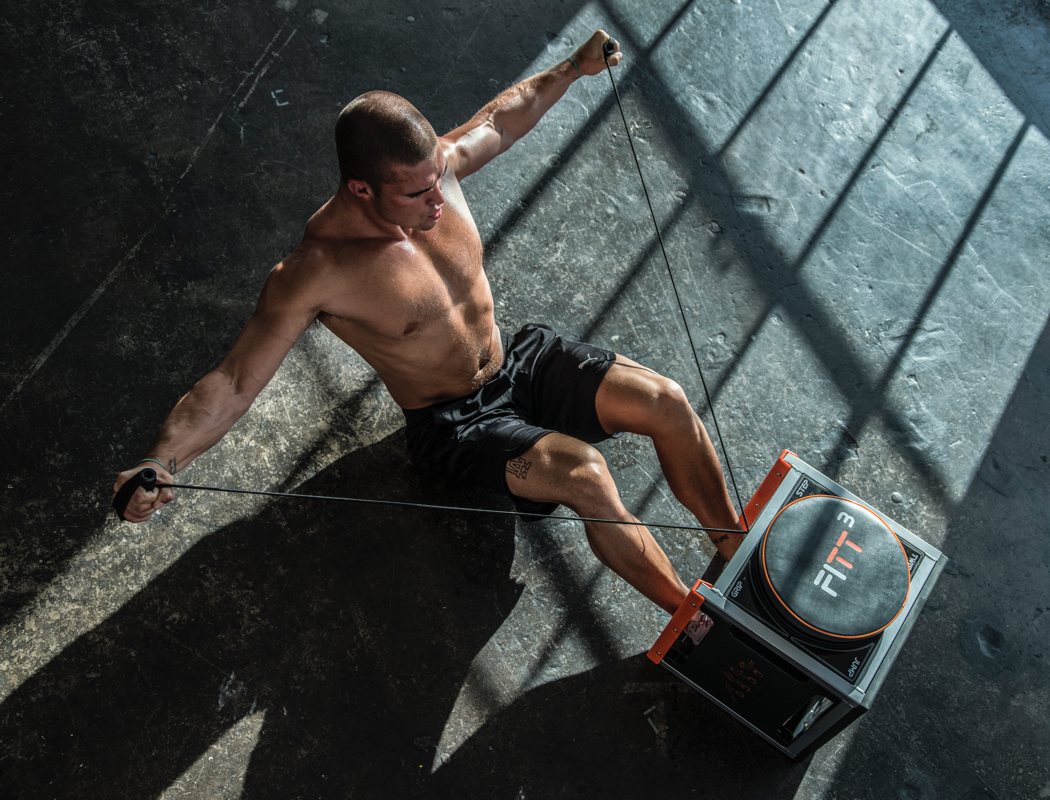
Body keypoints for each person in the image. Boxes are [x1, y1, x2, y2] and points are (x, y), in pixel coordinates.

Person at [113, 30, 744, 615]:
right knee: (587, 476)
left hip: (517, 362)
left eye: (437, 180)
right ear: (361, 190)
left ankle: (735, 548)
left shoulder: (436, 170)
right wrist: (163, 459)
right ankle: (699, 625)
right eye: (417, 194)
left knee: (666, 400)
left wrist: (573, 68)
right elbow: (232, 382)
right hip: (456, 423)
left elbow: (501, 118)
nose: (438, 200)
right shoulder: (315, 271)